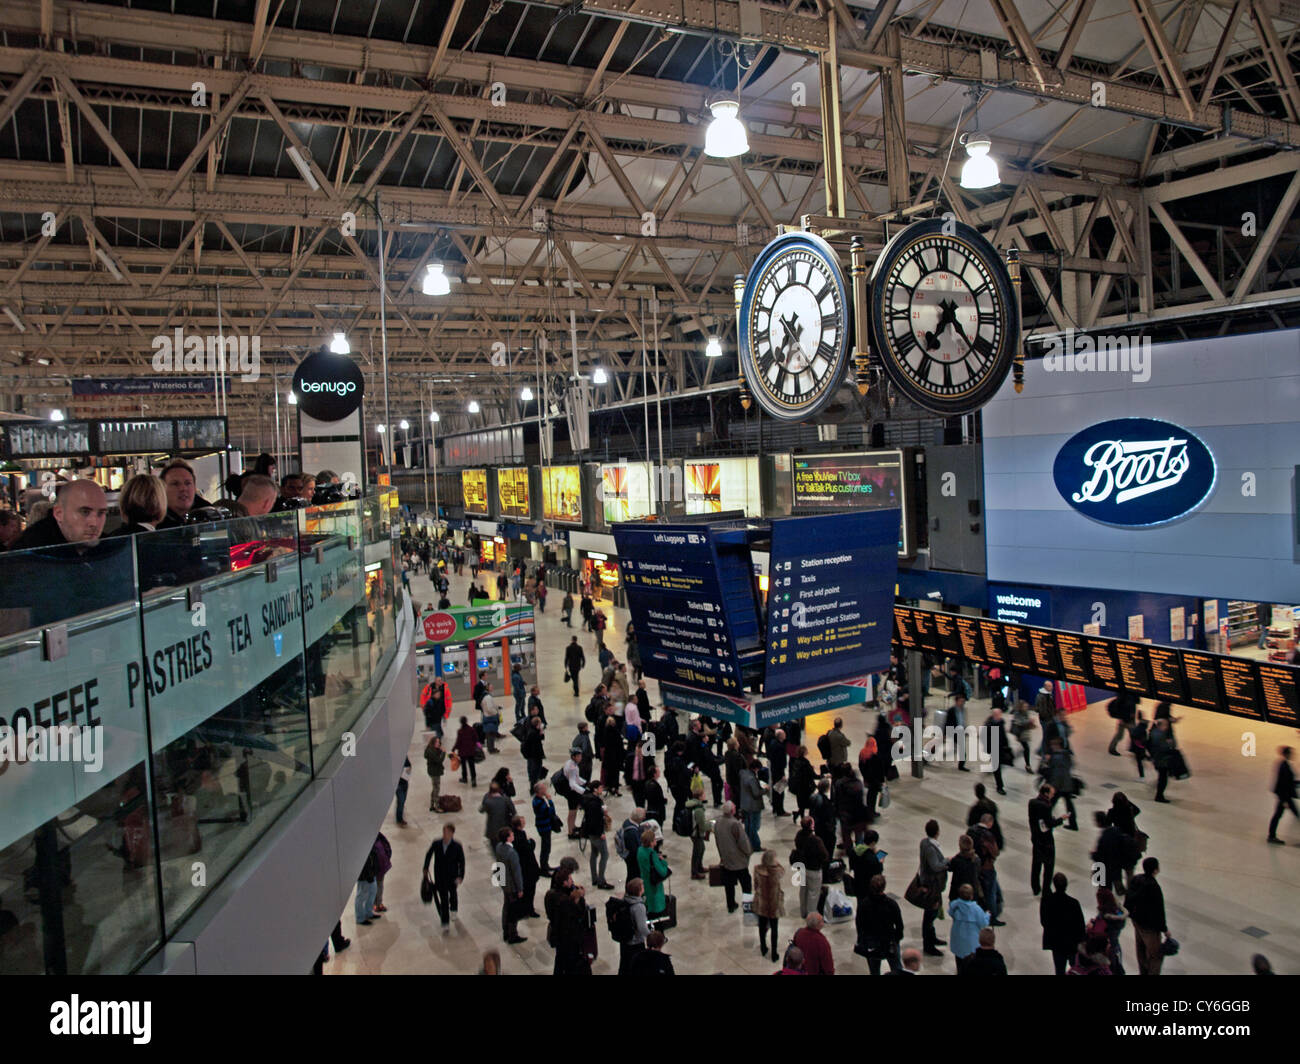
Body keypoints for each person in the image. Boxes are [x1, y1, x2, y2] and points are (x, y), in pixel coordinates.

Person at [14, 479, 108, 548]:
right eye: (85, 512)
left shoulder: (109, 546)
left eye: (101, 513)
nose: (94, 523)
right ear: (59, 514)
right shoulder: (29, 549)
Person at [1128, 857, 1171, 975]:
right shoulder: (1153, 887)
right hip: (1150, 927)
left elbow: (1128, 900)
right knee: (1155, 955)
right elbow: (1159, 911)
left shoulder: (1136, 879)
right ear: (1156, 870)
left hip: (1137, 922)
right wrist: (1164, 929)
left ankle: (1143, 972)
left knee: (1140, 948)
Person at [855, 873, 905, 974]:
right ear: (884, 887)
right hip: (889, 941)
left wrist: (862, 939)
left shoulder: (864, 904)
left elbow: (859, 924)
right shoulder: (891, 904)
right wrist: (897, 939)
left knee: (874, 970)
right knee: (896, 969)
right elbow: (899, 924)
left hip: (871, 942)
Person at [544, 868, 591, 975]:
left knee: (559, 960)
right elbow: (579, 912)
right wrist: (580, 897)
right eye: (570, 879)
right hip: (569, 937)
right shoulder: (565, 901)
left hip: (557, 934)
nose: (572, 881)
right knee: (570, 963)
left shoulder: (550, 894)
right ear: (564, 883)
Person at [1039, 872, 1085, 975]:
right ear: (1066, 885)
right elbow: (1080, 925)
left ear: (1054, 884)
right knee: (1076, 969)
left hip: (1056, 942)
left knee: (1059, 970)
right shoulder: (1073, 903)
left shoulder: (1046, 901)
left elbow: (1044, 922)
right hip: (1072, 942)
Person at [422, 823, 465, 928]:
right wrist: (426, 867)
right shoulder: (437, 843)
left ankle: (454, 909)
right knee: (443, 898)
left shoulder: (457, 846)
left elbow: (462, 862)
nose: (445, 834)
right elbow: (429, 854)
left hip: (452, 876)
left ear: (452, 833)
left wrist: (460, 876)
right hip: (440, 876)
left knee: (453, 894)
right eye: (444, 832)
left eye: (447, 832)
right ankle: (445, 921)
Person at [714, 801, 753, 913]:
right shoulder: (734, 824)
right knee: (746, 883)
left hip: (726, 858)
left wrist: (721, 855)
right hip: (738, 860)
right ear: (732, 811)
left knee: (729, 884)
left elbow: (717, 840)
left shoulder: (718, 822)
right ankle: (747, 906)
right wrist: (748, 852)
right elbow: (743, 842)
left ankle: (730, 905)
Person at [1028, 783, 1065, 896]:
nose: (1053, 796)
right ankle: (1046, 889)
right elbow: (1049, 823)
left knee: (1036, 864)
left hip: (1035, 837)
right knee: (1048, 866)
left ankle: (1035, 887)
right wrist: (1060, 819)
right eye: (1052, 793)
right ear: (1046, 793)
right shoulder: (1046, 806)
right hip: (1046, 841)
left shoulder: (1032, 802)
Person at [918, 819, 948, 956]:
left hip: (931, 883)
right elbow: (935, 866)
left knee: (931, 913)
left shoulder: (924, 842)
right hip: (931, 885)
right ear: (937, 832)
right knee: (930, 913)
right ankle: (928, 945)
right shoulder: (930, 847)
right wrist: (947, 862)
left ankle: (932, 938)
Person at [493, 827, 526, 944]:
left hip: (503, 882)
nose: (513, 835)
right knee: (513, 910)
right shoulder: (512, 853)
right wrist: (520, 888)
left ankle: (505, 931)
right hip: (512, 886)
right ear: (508, 837)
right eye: (511, 834)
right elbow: (516, 873)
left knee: (506, 907)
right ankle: (513, 934)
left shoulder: (498, 847)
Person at [968, 813, 1003, 924]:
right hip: (986, 867)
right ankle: (992, 917)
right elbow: (995, 852)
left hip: (973, 865)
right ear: (989, 823)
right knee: (990, 893)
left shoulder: (970, 830)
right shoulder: (988, 835)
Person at [751, 849, 785, 963]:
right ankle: (774, 953)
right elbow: (783, 871)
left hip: (762, 903)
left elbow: (755, 885)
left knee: (762, 926)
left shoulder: (757, 869)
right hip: (774, 903)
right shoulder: (777, 870)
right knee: (774, 929)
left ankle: (763, 947)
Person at [158, 459, 213, 527]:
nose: (183, 488)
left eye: (188, 483)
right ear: (162, 489)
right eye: (175, 484)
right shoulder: (154, 521)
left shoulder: (209, 515)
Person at [794, 816, 830, 918]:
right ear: (811, 826)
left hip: (802, 867)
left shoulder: (799, 835)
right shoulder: (815, 840)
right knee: (813, 893)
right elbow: (824, 855)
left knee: (803, 890)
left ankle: (803, 912)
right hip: (814, 869)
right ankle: (811, 914)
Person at [579, 781, 614, 889]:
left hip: (590, 832)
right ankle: (601, 881)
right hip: (596, 832)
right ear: (595, 789)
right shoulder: (594, 803)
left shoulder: (588, 799)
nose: (602, 789)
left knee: (594, 853)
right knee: (604, 855)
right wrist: (600, 833)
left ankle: (594, 878)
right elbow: (595, 820)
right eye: (600, 787)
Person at [948, 883, 989, 973]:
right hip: (971, 943)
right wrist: (987, 915)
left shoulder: (955, 905)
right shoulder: (976, 909)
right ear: (971, 896)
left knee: (959, 962)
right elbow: (983, 923)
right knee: (971, 967)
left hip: (958, 940)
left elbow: (950, 913)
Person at [1091, 886, 1128, 975]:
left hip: (1105, 950)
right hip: (1115, 947)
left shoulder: (1104, 917)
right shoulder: (1117, 912)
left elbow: (1098, 933)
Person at [511, 815, 542, 918]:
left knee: (526, 890)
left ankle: (525, 908)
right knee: (529, 891)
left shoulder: (516, 834)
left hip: (524, 867)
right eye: (523, 822)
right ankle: (529, 909)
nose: (524, 823)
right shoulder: (519, 837)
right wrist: (531, 842)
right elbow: (528, 848)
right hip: (527, 868)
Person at [619, 878, 651, 975]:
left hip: (624, 940)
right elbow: (641, 927)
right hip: (635, 942)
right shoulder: (639, 907)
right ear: (639, 890)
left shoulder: (625, 900)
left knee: (624, 965)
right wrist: (650, 935)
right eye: (642, 886)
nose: (644, 888)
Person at [637, 828, 670, 920]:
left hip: (645, 882)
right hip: (654, 886)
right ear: (651, 842)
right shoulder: (652, 854)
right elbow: (662, 872)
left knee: (648, 909)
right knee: (656, 914)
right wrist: (664, 862)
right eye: (654, 839)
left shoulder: (640, 851)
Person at [1269, 746, 1299, 843]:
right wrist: (1284, 800)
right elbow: (1285, 783)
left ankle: (1271, 836)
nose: (1293, 755)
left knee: (1278, 815)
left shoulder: (1284, 764)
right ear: (1286, 754)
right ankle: (1271, 836)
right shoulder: (1284, 766)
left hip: (1285, 796)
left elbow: (1288, 782)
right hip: (1285, 796)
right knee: (1294, 815)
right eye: (1291, 753)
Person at [531, 781, 562, 875]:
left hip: (544, 825)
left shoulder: (538, 799)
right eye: (544, 788)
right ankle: (544, 869)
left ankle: (545, 865)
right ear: (540, 791)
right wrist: (550, 801)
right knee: (545, 848)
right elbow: (550, 812)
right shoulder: (539, 802)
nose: (546, 789)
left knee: (547, 847)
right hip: (543, 827)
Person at [738, 756, 766, 852]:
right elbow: (756, 793)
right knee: (754, 827)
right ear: (756, 768)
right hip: (753, 806)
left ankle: (747, 844)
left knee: (748, 826)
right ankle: (756, 846)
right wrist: (765, 790)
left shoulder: (743, 774)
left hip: (745, 804)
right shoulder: (752, 779)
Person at [479, 781, 516, 851]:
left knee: (495, 849)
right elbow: (513, 812)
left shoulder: (488, 801)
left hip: (492, 829)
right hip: (505, 828)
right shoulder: (506, 799)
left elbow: (481, 810)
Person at [984, 706, 1012, 794]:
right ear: (994, 715)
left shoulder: (1000, 723)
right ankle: (1000, 786)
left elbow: (1003, 736)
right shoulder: (989, 726)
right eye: (999, 714)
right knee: (997, 768)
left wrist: (1006, 745)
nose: (1000, 716)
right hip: (994, 748)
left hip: (1001, 748)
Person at [687, 781, 710, 879]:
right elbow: (702, 826)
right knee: (697, 851)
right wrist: (711, 825)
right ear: (700, 796)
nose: (705, 795)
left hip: (692, 831)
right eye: (703, 794)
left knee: (701, 849)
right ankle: (695, 872)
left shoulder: (690, 804)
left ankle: (699, 867)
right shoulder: (698, 809)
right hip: (696, 833)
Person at [354, 841, 380, 926]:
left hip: (372, 874)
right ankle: (360, 918)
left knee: (372, 892)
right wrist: (368, 874)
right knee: (361, 896)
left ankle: (368, 913)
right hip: (365, 876)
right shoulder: (359, 845)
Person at [1010, 699, 1036, 772]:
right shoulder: (1017, 713)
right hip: (1020, 733)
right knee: (1026, 748)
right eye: (1024, 707)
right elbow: (1019, 722)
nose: (1026, 708)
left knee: (1025, 748)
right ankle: (1027, 765)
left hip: (1024, 733)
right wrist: (1028, 721)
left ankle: (1027, 764)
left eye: (1026, 707)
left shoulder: (1026, 712)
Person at [453, 716, 478, 786]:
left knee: (463, 766)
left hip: (463, 752)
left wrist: (454, 748)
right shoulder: (471, 729)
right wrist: (476, 746)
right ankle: (473, 780)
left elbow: (458, 742)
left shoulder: (460, 731)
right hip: (471, 751)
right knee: (472, 766)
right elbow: (476, 739)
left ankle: (465, 778)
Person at [521, 717, 546, 788]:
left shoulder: (533, 731)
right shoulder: (533, 733)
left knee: (535, 768)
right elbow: (537, 743)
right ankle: (534, 784)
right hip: (535, 755)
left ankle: (534, 780)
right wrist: (540, 732)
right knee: (535, 769)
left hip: (534, 755)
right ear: (537, 724)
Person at [480, 681, 501, 755]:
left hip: (487, 717)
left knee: (490, 734)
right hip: (490, 718)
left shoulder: (486, 696)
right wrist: (496, 713)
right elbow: (489, 709)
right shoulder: (488, 697)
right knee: (490, 735)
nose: (492, 688)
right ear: (487, 688)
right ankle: (491, 749)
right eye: (491, 687)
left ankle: (491, 748)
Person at [394, 757, 411, 826]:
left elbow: (409, 765)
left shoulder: (405, 758)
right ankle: (399, 819)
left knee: (402, 801)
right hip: (398, 785)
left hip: (405, 782)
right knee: (401, 801)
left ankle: (400, 816)